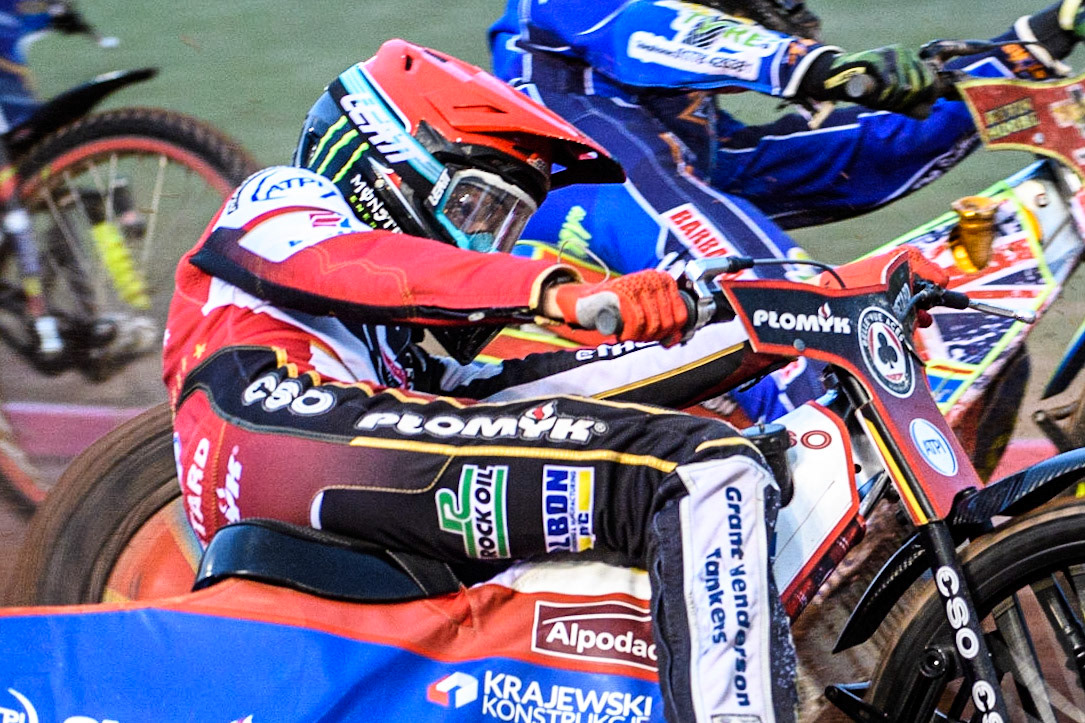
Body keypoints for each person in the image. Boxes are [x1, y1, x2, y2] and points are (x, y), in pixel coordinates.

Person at [164, 39, 817, 722]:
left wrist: (787, 319)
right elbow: (358, 261)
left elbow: (542, 393)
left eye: (504, 230)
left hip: (321, 465)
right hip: (269, 423)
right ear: (383, 166)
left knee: (644, 468)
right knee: (702, 469)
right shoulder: (283, 201)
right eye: (478, 211)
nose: (488, 244)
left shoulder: (399, 351)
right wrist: (554, 290)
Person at [488, 0, 1085, 430]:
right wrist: (815, 65)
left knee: (974, 339)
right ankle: (842, 468)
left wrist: (1017, 57)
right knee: (803, 310)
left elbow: (836, 157)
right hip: (571, 217)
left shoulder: (661, 126)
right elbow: (652, 29)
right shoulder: (575, 30)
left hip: (602, 268)